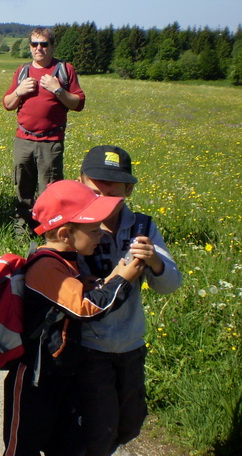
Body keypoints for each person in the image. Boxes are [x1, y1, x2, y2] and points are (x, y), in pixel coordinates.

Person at [2, 180, 145, 456]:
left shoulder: (67, 262)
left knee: (68, 448)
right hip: (34, 381)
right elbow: (84, 308)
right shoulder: (45, 266)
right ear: (66, 233)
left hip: (62, 377)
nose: (102, 235)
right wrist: (123, 279)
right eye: (94, 230)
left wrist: (95, 281)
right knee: (23, 449)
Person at [76, 146, 181, 456]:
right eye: (96, 188)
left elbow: (170, 285)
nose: (104, 197)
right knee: (99, 430)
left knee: (129, 424)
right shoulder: (74, 228)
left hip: (131, 346)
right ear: (80, 182)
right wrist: (116, 278)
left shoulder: (143, 228)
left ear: (129, 190)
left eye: (114, 190)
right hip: (90, 348)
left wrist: (156, 264)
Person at [2, 28, 85, 236]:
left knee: (50, 190)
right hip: (24, 139)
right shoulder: (23, 71)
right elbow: (7, 104)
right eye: (34, 44)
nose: (38, 48)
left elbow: (78, 104)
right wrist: (19, 91)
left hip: (51, 141)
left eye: (43, 44)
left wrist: (57, 89)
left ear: (52, 46)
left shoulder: (63, 70)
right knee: (22, 187)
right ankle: (22, 231)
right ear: (30, 47)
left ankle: (50, 233)